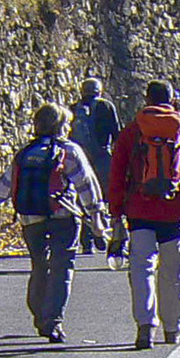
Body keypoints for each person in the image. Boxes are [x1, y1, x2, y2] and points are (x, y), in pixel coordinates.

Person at [0, 103, 107, 343]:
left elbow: (7, 181)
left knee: (39, 265)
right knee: (62, 267)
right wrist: (96, 217)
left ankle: (39, 313)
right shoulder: (69, 150)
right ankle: (53, 320)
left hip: (31, 218)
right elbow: (86, 184)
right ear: (61, 126)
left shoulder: (26, 152)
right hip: (63, 216)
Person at [108, 81, 180, 350]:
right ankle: (173, 328)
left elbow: (117, 174)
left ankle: (145, 325)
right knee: (172, 271)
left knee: (142, 268)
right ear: (173, 99)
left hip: (139, 211)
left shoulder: (133, 131)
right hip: (174, 212)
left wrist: (116, 212)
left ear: (147, 99)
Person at [69, 78, 119, 254]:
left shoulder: (74, 109)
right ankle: (103, 231)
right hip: (102, 157)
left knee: (82, 197)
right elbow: (116, 133)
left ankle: (86, 241)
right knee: (103, 197)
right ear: (99, 90)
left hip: (79, 159)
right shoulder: (106, 106)